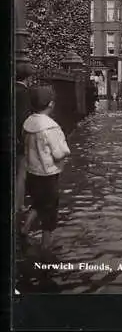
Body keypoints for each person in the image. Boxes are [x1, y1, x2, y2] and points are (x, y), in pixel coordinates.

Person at [21, 85, 70, 250]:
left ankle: (25, 228)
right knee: (50, 211)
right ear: (50, 104)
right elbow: (60, 153)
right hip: (48, 175)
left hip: (31, 173)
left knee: (38, 202)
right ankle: (46, 246)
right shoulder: (51, 127)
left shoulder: (28, 123)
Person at [16, 62, 34, 213]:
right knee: (20, 174)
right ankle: (19, 206)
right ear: (28, 78)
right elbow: (23, 119)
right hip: (18, 141)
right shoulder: (23, 93)